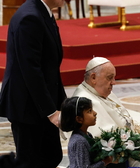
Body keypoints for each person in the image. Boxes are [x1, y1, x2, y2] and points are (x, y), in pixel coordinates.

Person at [72, 57, 140, 168]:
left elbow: (126, 122)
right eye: (109, 78)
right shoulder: (85, 101)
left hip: (133, 151)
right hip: (121, 161)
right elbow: (106, 140)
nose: (114, 82)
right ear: (93, 77)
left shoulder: (100, 91)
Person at [0, 0, 66, 167]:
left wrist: (63, 104)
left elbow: (50, 68)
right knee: (31, 162)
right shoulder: (30, 17)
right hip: (28, 107)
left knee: (51, 156)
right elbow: (30, 71)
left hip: (41, 104)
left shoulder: (44, 13)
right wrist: (51, 111)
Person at [60, 97, 115, 168]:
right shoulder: (79, 141)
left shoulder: (87, 135)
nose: (95, 113)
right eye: (89, 111)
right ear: (79, 119)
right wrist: (106, 161)